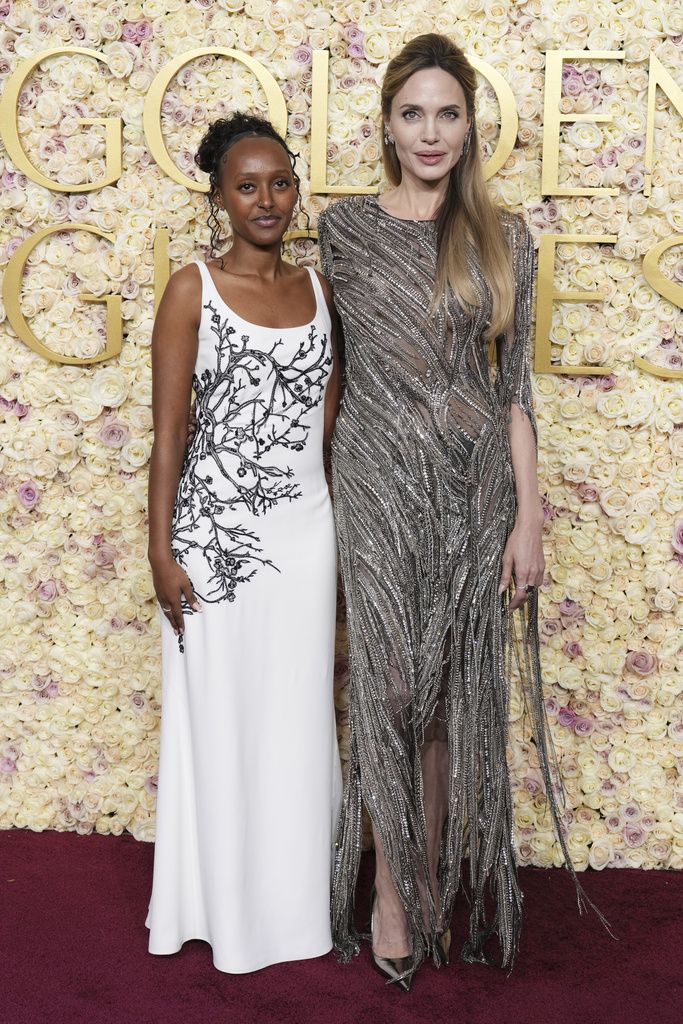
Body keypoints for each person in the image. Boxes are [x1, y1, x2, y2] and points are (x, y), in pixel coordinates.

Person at [317, 33, 596, 988]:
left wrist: (529, 519)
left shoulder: (500, 235)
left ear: (469, 124)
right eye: (412, 114)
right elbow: (326, 370)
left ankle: (427, 885)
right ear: (386, 125)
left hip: (475, 487)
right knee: (390, 689)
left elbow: (513, 390)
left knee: (441, 701)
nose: (429, 132)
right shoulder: (343, 231)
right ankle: (391, 895)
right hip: (375, 480)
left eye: (447, 113)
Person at [146, 113, 342, 973]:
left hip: (305, 539)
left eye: (280, 182)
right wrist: (161, 551)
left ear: (295, 188)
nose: (266, 199)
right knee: (222, 723)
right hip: (214, 544)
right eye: (246, 185)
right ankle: (218, 909)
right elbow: (170, 434)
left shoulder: (323, 290)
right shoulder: (192, 289)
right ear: (218, 197)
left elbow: (326, 429)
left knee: (297, 720)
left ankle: (298, 912)